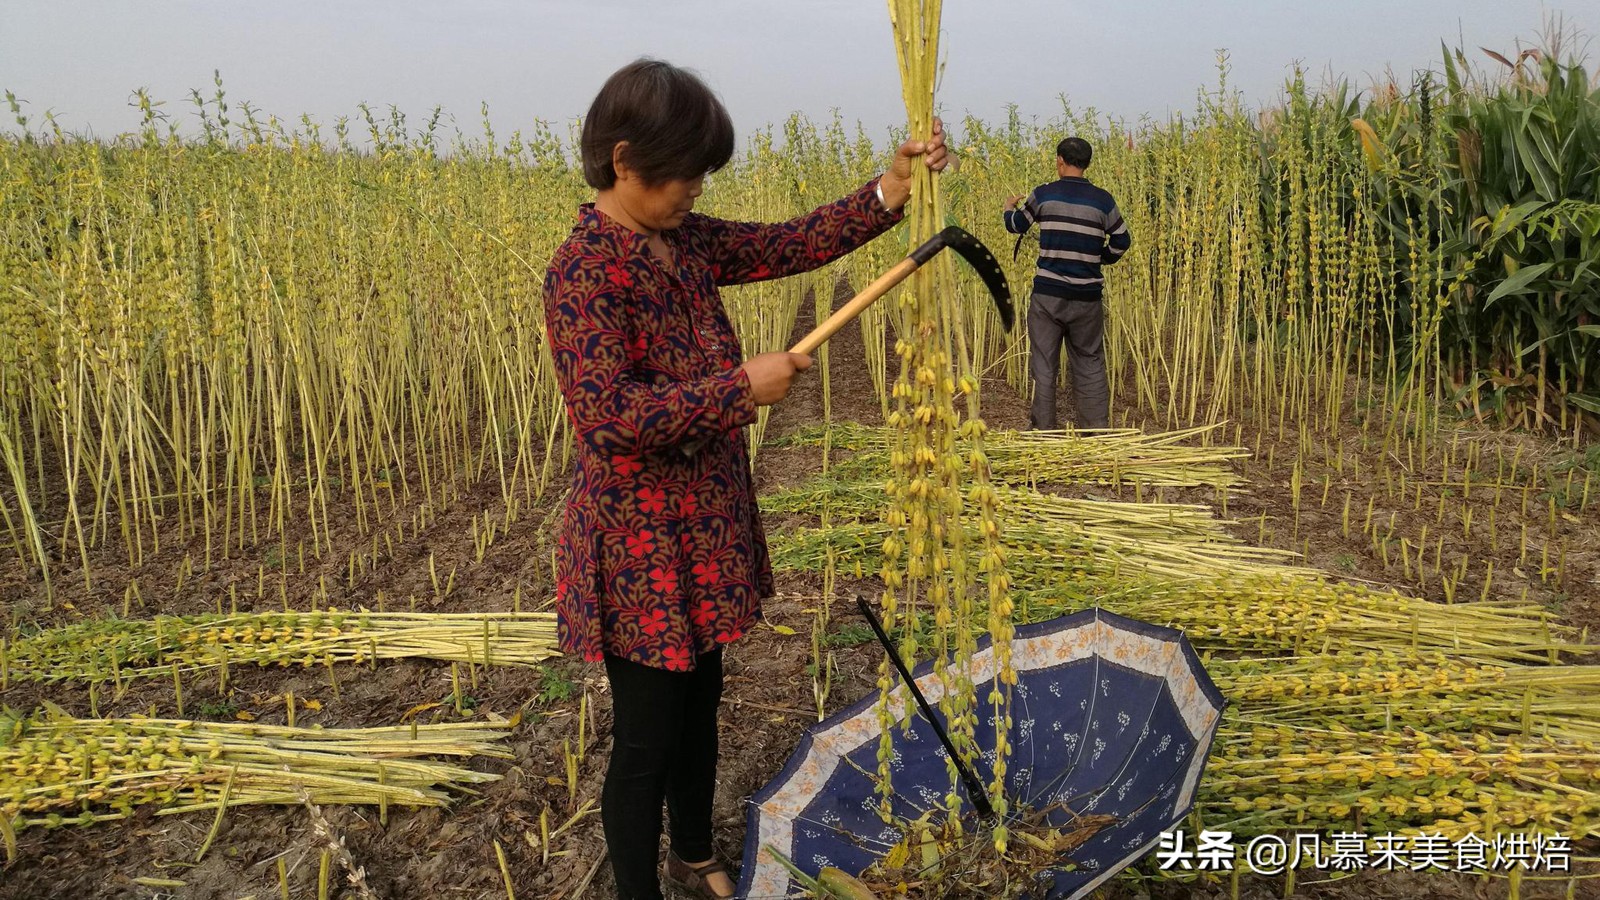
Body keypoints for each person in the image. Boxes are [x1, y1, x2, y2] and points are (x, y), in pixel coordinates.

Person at [543, 58, 947, 900]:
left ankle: (693, 852)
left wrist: (890, 187)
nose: (695, 189)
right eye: (682, 173)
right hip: (640, 542)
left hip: (706, 525)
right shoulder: (584, 270)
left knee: (701, 710)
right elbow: (607, 416)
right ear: (623, 162)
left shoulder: (681, 241)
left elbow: (784, 243)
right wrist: (738, 388)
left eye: (701, 174)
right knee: (647, 738)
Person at [1003, 136, 1130, 430]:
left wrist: (1009, 207)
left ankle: (1044, 432)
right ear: (1087, 164)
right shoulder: (1103, 200)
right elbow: (1123, 240)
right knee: (1089, 362)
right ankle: (1096, 431)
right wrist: (1101, 258)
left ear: (1060, 161)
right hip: (1087, 297)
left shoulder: (1044, 195)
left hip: (1048, 296)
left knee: (1044, 365)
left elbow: (1015, 226)